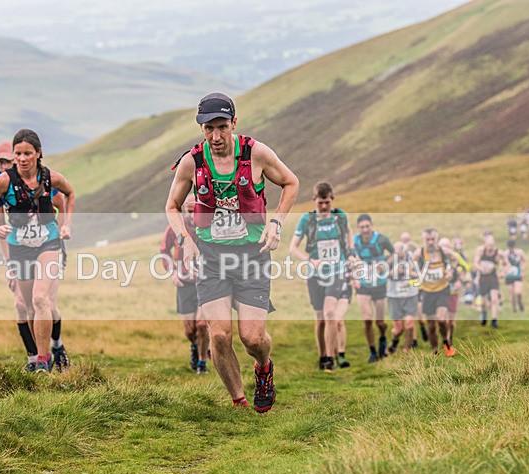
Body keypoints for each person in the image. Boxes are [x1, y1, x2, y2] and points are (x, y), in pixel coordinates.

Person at [165, 92, 299, 412]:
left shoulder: (256, 153)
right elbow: (171, 206)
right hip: (211, 258)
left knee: (253, 338)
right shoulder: (192, 162)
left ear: (234, 123)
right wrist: (186, 240)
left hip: (252, 255)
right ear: (201, 128)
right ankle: (239, 401)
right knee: (220, 335)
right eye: (209, 128)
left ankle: (264, 368)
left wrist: (276, 223)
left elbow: (291, 182)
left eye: (222, 127)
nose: (216, 136)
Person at [0, 129, 75, 372]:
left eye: (26, 154)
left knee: (42, 299)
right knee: (27, 305)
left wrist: (65, 225)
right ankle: (35, 359)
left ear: (37, 153)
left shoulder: (47, 178)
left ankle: (47, 356)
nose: (20, 160)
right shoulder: (1, 182)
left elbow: (66, 197)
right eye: (16, 155)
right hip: (19, 247)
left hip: (49, 243)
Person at [289, 182, 353, 372]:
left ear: (332, 199)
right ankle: (323, 355)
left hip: (337, 271)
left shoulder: (340, 217)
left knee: (330, 313)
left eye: (327, 202)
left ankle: (331, 358)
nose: (324, 206)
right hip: (315, 274)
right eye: (320, 203)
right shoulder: (307, 220)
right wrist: (310, 260)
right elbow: (293, 248)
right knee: (320, 319)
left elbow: (349, 233)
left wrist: (351, 253)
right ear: (314, 200)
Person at [160, 196, 210, 374]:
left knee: (202, 325)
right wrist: (172, 271)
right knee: (190, 330)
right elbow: (164, 250)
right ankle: (196, 347)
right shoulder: (176, 227)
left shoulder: (208, 226)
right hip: (184, 283)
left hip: (206, 282)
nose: (192, 215)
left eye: (195, 211)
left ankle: (202, 364)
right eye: (189, 211)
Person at [351, 214, 394, 363]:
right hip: (363, 283)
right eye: (362, 227)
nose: (365, 230)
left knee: (380, 322)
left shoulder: (382, 239)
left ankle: (382, 337)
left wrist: (385, 264)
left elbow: (393, 254)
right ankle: (373, 352)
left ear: (371, 225)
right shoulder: (353, 241)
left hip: (379, 283)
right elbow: (349, 258)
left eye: (367, 226)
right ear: (358, 228)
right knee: (367, 319)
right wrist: (354, 277)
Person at [415, 228, 456, 357]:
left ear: (437, 239)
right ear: (424, 240)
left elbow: (455, 259)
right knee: (431, 325)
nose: (430, 242)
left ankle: (446, 342)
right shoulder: (419, 254)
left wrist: (450, 271)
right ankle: (435, 351)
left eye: (433, 239)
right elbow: (410, 270)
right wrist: (419, 274)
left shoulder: (444, 251)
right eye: (428, 239)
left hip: (442, 290)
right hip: (428, 292)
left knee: (441, 319)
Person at [385, 241, 418, 354]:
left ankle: (406, 350)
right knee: (398, 329)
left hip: (410, 295)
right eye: (396, 250)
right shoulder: (389, 260)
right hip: (394, 297)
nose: (398, 252)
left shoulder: (412, 259)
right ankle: (394, 341)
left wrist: (410, 273)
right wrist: (394, 272)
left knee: (410, 324)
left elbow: (419, 274)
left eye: (401, 249)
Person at [439, 237, 470, 347]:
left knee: (451, 320)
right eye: (442, 246)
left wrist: (460, 281)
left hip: (453, 290)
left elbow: (466, 268)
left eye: (447, 246)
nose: (445, 249)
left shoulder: (456, 256)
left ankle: (449, 338)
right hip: (439, 290)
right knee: (442, 317)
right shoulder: (435, 257)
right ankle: (444, 340)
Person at [473, 234, 506, 329]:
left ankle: (494, 320)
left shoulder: (498, 253)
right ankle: (484, 313)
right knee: (483, 302)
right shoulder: (481, 251)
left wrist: (503, 272)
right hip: (483, 279)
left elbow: (507, 263)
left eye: (492, 245)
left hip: (493, 279)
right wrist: (481, 269)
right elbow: (475, 263)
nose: (490, 247)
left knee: (494, 299)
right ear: (485, 244)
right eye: (488, 245)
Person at [503, 239, 528, 313]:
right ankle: (514, 309)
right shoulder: (505, 254)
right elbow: (501, 263)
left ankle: (519, 301)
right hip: (509, 276)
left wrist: (523, 270)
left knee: (518, 292)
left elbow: (525, 260)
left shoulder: (519, 252)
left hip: (517, 274)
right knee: (512, 294)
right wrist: (504, 271)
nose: (511, 249)